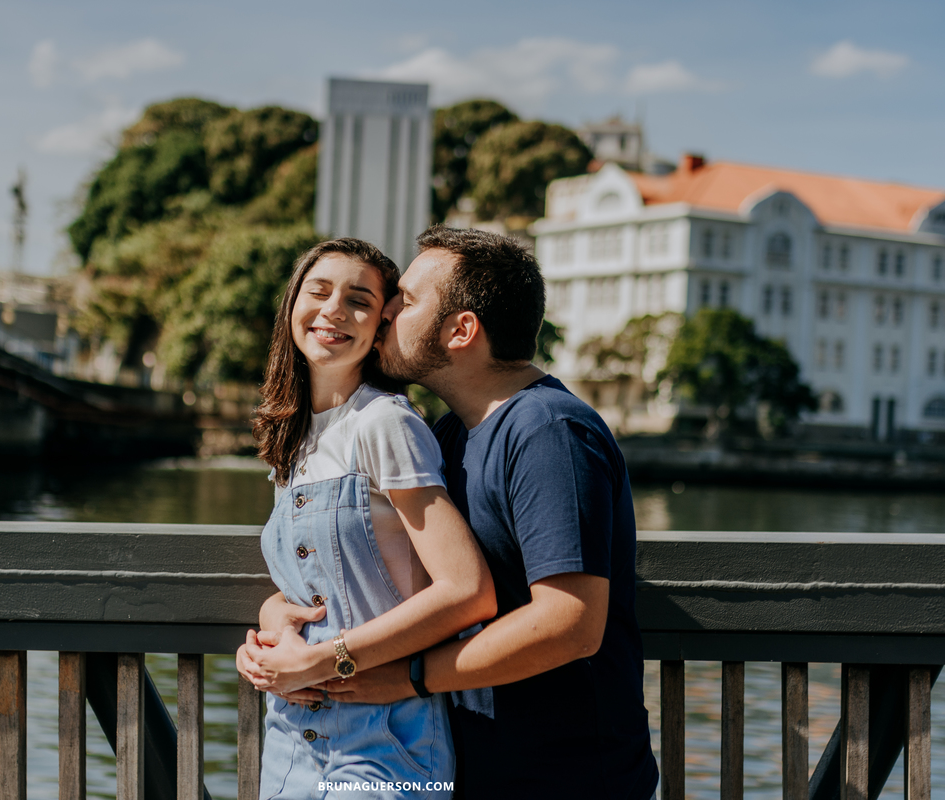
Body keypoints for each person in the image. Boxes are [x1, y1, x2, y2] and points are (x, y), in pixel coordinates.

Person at [243, 226, 659, 799]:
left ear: (462, 330)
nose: (386, 312)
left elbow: (572, 623)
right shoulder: (454, 436)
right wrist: (276, 617)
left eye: (404, 302)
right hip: (477, 766)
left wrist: (407, 676)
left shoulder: (549, 431)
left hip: (566, 775)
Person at [242, 237, 497, 800]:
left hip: (384, 745)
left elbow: (467, 591)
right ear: (292, 305)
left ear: (381, 325)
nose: (334, 310)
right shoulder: (294, 440)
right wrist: (271, 626)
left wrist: (320, 658)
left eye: (358, 300)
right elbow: (314, 583)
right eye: (320, 290)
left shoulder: (386, 424)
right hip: (291, 741)